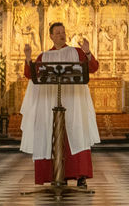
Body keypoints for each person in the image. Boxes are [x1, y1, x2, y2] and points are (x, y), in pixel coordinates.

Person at [20, 22, 100, 188]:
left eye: (63, 32)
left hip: (74, 102)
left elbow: (93, 68)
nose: (61, 35)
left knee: (76, 134)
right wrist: (28, 58)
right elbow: (31, 75)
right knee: (53, 135)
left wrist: (87, 52)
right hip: (51, 101)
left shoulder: (76, 52)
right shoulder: (44, 56)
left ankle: (80, 176)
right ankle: (58, 175)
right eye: (57, 33)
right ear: (50, 36)